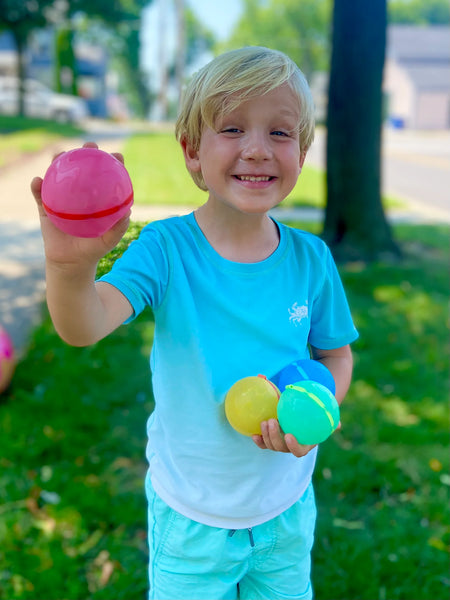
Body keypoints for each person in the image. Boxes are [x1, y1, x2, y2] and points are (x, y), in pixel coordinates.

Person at [31, 46, 358, 600]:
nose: (257, 149)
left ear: (302, 153)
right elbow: (83, 326)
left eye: (280, 134)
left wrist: (317, 418)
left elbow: (335, 357)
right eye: (232, 128)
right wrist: (70, 267)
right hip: (193, 518)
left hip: (284, 508)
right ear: (191, 152)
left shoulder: (311, 261)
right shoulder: (165, 249)